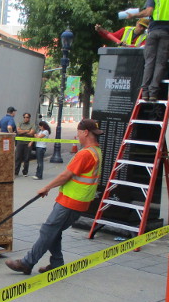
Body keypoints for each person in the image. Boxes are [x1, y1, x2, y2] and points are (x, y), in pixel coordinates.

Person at [6, 118, 103, 275]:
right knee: (54, 231)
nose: (77, 136)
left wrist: (46, 187)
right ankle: (57, 263)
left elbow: (66, 175)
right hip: (78, 200)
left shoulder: (85, 154)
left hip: (71, 201)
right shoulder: (97, 151)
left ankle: (27, 263)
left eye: (78, 132)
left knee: (48, 230)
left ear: (85, 132)